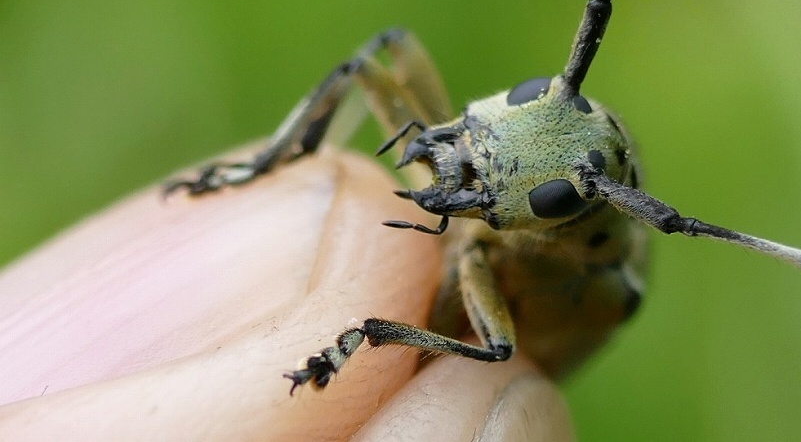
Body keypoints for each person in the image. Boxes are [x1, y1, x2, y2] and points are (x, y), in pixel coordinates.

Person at [0, 148, 574, 440]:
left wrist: (373, 330)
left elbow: (502, 344)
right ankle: (262, 166)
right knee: (381, 57)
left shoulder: (563, 261)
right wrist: (261, 168)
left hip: (480, 314)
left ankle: (376, 334)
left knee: (493, 350)